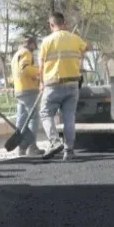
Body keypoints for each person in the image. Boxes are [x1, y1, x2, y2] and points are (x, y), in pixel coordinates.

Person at [39, 12, 90, 161]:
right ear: (64, 23)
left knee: (46, 113)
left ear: (51, 25)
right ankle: (69, 151)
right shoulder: (74, 39)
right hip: (72, 84)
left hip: (53, 84)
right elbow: (87, 47)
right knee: (69, 117)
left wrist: (41, 83)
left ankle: (54, 142)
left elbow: (41, 65)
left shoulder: (46, 41)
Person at [11, 36, 44, 157]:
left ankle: (21, 147)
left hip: (19, 89)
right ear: (31, 44)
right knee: (34, 117)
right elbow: (24, 69)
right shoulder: (26, 53)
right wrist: (40, 72)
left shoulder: (16, 55)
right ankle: (32, 146)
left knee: (22, 118)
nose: (35, 47)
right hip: (28, 89)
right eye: (35, 45)